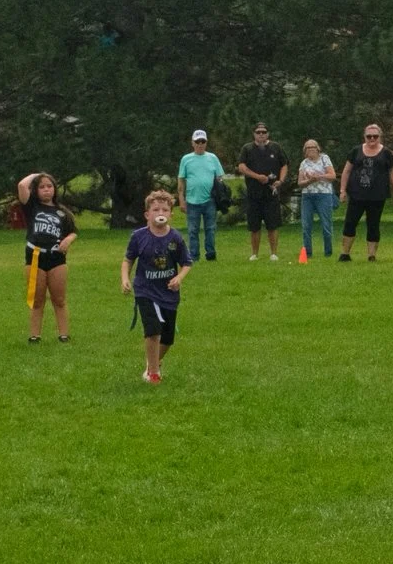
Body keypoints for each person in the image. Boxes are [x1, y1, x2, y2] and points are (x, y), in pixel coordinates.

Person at [121, 190, 193, 383]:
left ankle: (153, 363)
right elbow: (128, 260)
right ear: (147, 214)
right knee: (153, 330)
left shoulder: (175, 238)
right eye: (155, 209)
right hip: (145, 290)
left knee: (168, 338)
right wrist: (125, 279)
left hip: (168, 292)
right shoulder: (138, 236)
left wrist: (179, 277)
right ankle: (153, 374)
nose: (160, 212)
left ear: (171, 214)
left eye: (165, 209)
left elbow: (186, 263)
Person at [17, 172, 78, 343]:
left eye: (49, 186)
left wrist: (69, 239)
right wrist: (38, 174)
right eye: (42, 187)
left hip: (56, 258)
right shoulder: (32, 207)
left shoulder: (62, 212)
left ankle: (64, 334)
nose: (46, 190)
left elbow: (73, 231)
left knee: (59, 299)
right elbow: (22, 185)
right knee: (37, 299)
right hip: (35, 257)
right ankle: (35, 335)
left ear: (55, 189)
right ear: (36, 190)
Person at [338, 123, 393, 262]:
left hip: (377, 195)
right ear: (364, 137)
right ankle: (345, 254)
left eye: (375, 136)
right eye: (369, 136)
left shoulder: (386, 153)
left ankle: (371, 255)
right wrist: (342, 190)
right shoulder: (356, 151)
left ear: (380, 137)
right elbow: (347, 171)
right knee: (350, 223)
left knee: (373, 224)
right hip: (356, 194)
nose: (372, 139)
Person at [236, 122, 288, 261]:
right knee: (254, 226)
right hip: (254, 193)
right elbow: (241, 167)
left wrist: (281, 181)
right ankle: (254, 254)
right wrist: (257, 177)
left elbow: (284, 165)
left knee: (273, 224)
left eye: (264, 132)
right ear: (254, 134)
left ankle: (274, 253)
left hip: (271, 193)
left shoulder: (276, 147)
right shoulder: (247, 148)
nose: (261, 134)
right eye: (258, 132)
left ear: (268, 134)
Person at [177, 129, 225, 262]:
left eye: (203, 141)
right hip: (192, 201)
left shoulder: (212, 158)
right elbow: (181, 180)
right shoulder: (186, 159)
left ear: (206, 143)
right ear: (192, 143)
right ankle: (194, 256)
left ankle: (210, 254)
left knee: (210, 229)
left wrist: (220, 194)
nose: (200, 144)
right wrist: (182, 200)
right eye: (197, 141)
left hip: (209, 200)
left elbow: (219, 178)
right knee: (193, 230)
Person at [297, 139, 336, 260]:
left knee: (326, 224)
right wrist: (309, 181)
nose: (311, 150)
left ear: (318, 148)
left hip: (323, 195)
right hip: (308, 196)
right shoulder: (304, 163)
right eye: (308, 148)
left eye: (313, 147)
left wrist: (319, 177)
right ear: (305, 151)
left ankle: (328, 252)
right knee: (306, 225)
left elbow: (332, 176)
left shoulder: (325, 158)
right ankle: (307, 252)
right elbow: (300, 183)